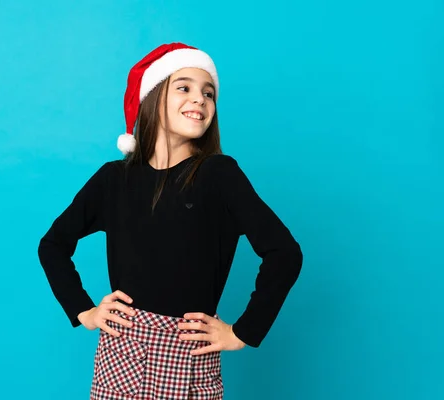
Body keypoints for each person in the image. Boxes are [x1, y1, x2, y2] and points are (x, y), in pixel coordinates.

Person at [37, 42, 303, 400]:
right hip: (121, 355)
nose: (200, 100)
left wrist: (242, 332)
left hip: (189, 356)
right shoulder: (114, 179)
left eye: (208, 93)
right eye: (184, 87)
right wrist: (84, 310)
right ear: (153, 97)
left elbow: (284, 253)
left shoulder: (219, 175)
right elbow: (52, 245)